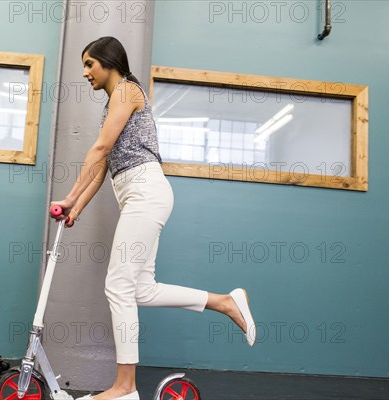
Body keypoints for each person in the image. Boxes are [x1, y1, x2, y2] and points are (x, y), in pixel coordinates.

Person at [50, 36, 256, 400]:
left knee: (118, 286)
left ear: (109, 62)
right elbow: (103, 166)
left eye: (89, 65)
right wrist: (77, 207)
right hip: (136, 192)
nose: (84, 73)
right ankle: (224, 301)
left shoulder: (128, 91)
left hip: (146, 190)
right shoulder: (113, 103)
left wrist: (67, 195)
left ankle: (125, 388)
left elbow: (99, 149)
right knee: (141, 289)